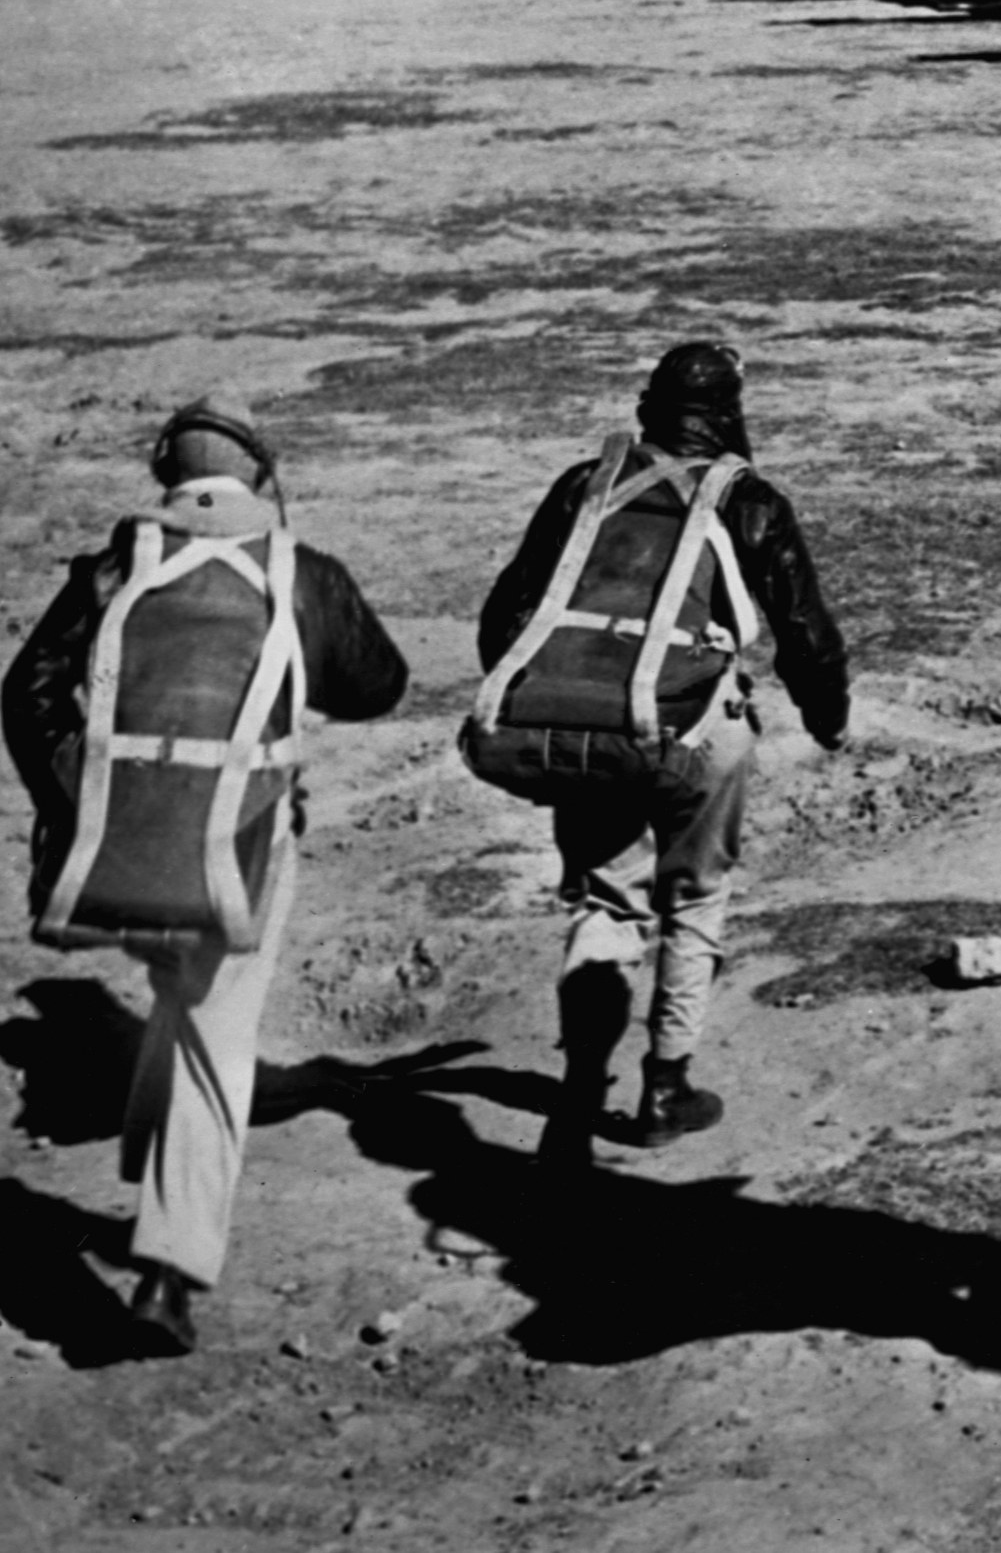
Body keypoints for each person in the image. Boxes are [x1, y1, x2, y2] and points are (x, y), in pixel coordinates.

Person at [3, 395, 406, 1355]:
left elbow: (25, 693)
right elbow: (378, 685)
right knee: (217, 1040)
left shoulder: (114, 568)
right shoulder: (300, 574)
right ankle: (167, 1271)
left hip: (119, 850)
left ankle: (154, 1178)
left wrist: (76, 800)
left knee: (180, 1006)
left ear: (166, 477)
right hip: (242, 850)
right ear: (259, 478)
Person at [470, 343, 850, 1167]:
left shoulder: (586, 482)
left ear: (652, 407)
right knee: (695, 899)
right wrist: (829, 721)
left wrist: (560, 702)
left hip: (588, 728)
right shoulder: (749, 501)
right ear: (731, 414)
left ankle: (581, 1085)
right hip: (687, 734)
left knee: (607, 903)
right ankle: (666, 1088)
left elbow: (508, 612)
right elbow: (806, 634)